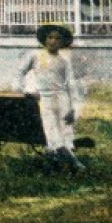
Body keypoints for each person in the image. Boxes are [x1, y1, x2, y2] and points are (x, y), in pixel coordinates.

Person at [18, 22, 87, 172]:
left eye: (57, 39)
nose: (53, 41)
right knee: (51, 129)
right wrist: (27, 90)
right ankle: (72, 161)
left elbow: (70, 84)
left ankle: (61, 159)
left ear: (62, 42)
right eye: (50, 38)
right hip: (45, 98)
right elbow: (20, 73)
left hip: (61, 98)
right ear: (45, 39)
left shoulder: (63, 61)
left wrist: (73, 108)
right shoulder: (36, 56)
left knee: (65, 130)